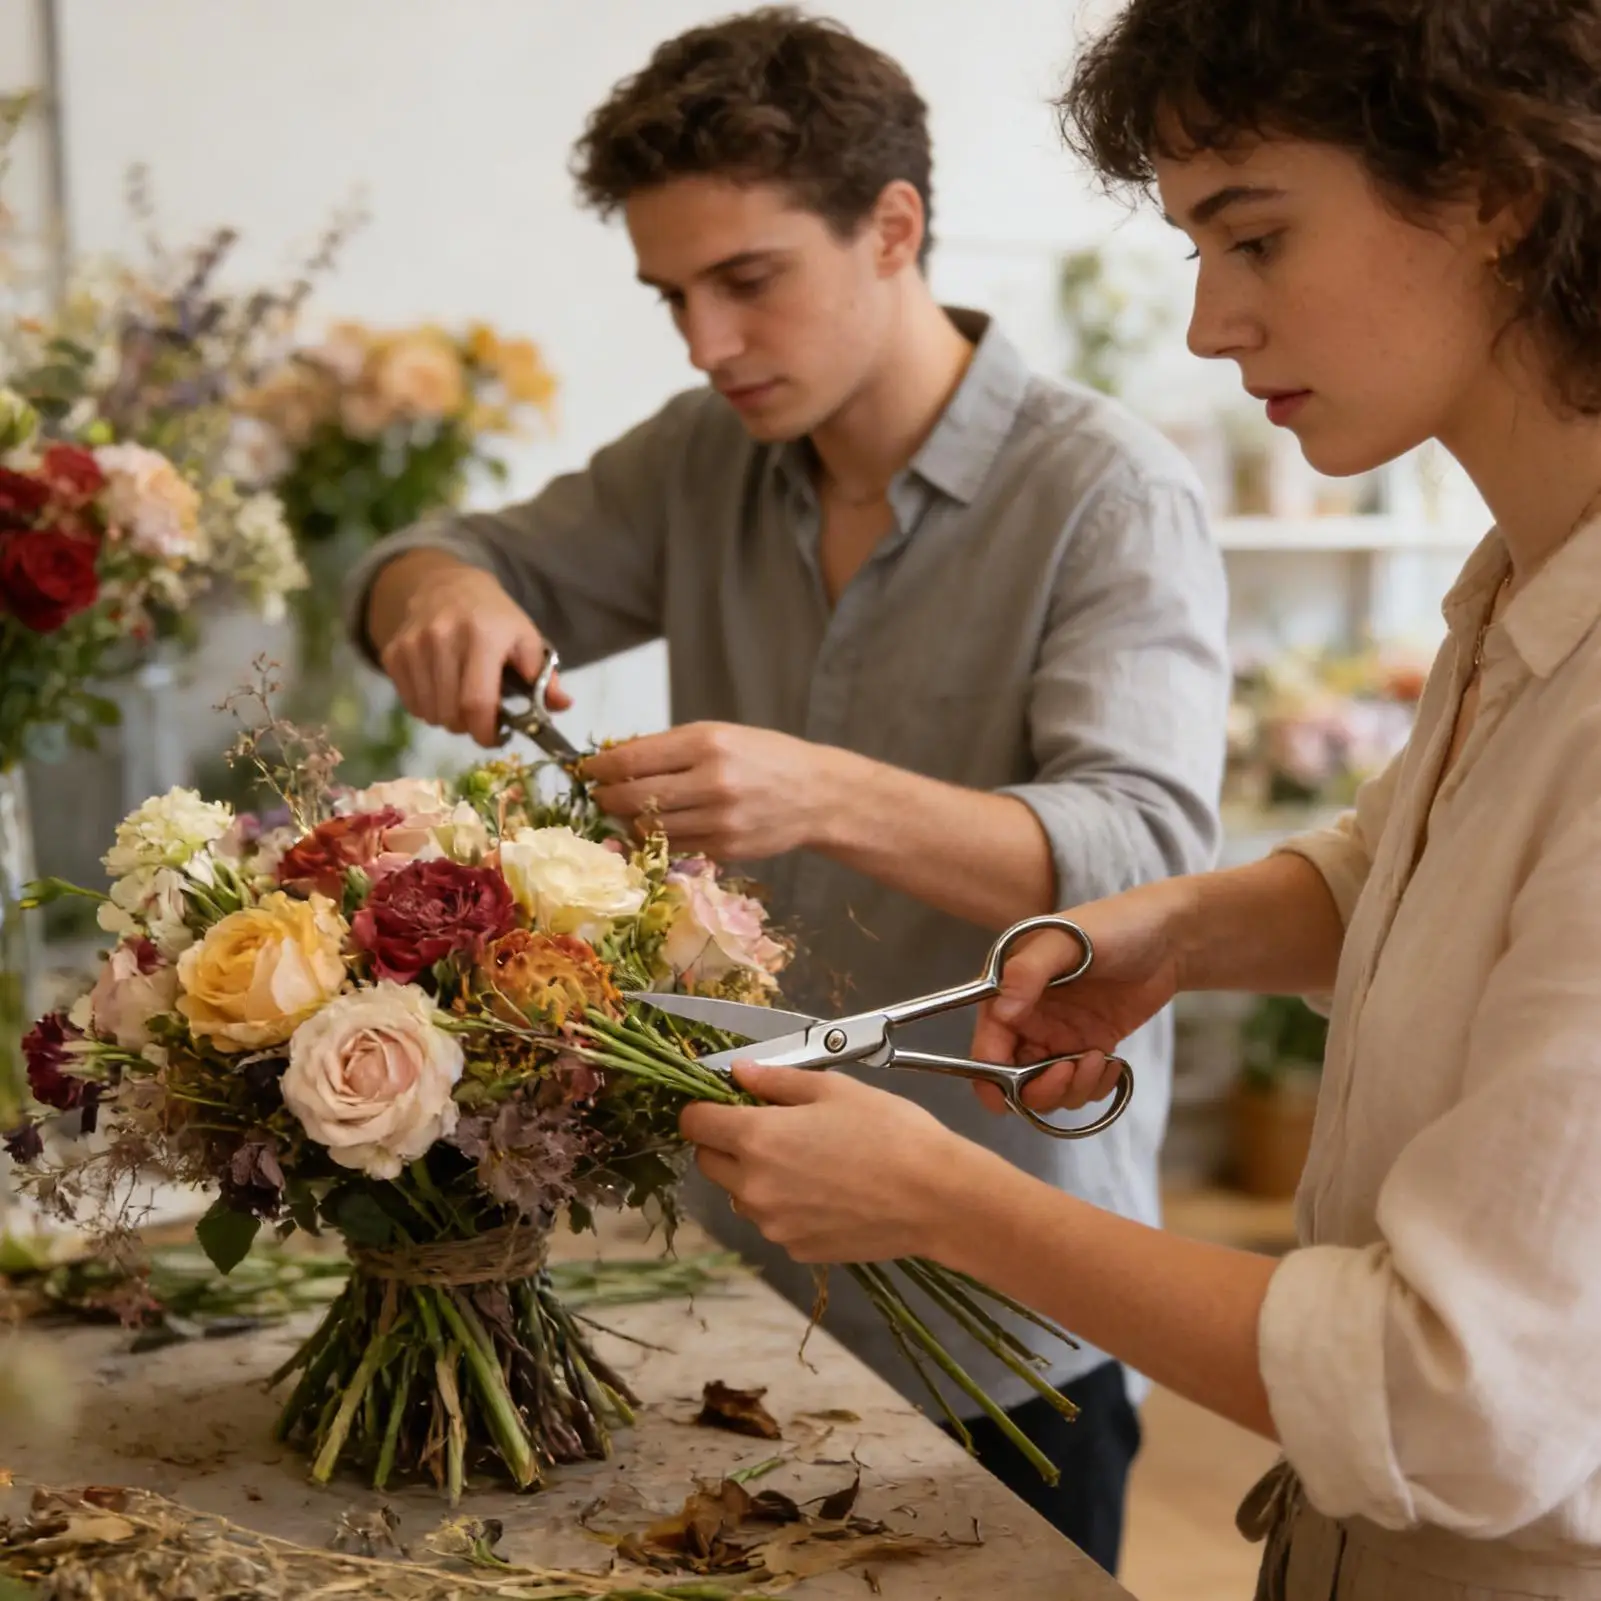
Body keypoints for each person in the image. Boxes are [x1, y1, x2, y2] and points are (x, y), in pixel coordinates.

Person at [678, 2, 1601, 1597]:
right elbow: (1406, 856)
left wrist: (951, 1202)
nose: (1209, 328)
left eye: (1254, 239)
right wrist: (1179, 929)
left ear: (1500, 190)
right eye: (1195, 253)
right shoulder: (1522, 586)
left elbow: (1456, 1395)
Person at [346, 6, 1229, 1573]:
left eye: (747, 281)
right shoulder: (703, 458)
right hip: (728, 1276)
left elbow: (1150, 859)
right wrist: (436, 594)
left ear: (894, 228)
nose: (705, 343)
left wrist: (826, 795)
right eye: (672, 294)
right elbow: (457, 557)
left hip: (1002, 1319)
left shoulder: (1107, 492)